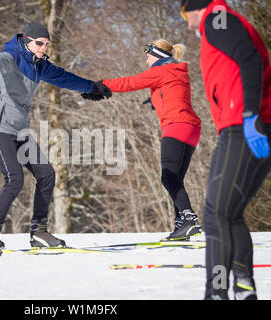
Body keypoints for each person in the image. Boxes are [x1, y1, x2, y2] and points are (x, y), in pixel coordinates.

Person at [0, 21, 112, 249]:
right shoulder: (11, 57)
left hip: (18, 128)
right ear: (27, 41)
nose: (43, 47)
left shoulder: (39, 65)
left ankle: (39, 231)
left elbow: (64, 77)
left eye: (46, 44)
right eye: (39, 43)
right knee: (14, 179)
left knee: (46, 174)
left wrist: (91, 88)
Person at [180, 0, 271, 300]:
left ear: (196, 8)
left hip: (243, 127)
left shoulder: (216, 20)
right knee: (229, 213)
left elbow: (249, 58)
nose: (188, 25)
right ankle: (244, 288)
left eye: (185, 15)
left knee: (216, 213)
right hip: (246, 126)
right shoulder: (222, 21)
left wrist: (249, 116)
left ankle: (216, 293)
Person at [83, 39, 202, 241]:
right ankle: (182, 225)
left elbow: (130, 82)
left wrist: (100, 85)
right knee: (175, 179)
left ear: (157, 55)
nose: (146, 58)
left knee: (169, 178)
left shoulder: (161, 70)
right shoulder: (175, 70)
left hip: (176, 126)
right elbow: (172, 93)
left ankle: (189, 219)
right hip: (191, 128)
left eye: (148, 54)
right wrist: (156, 98)